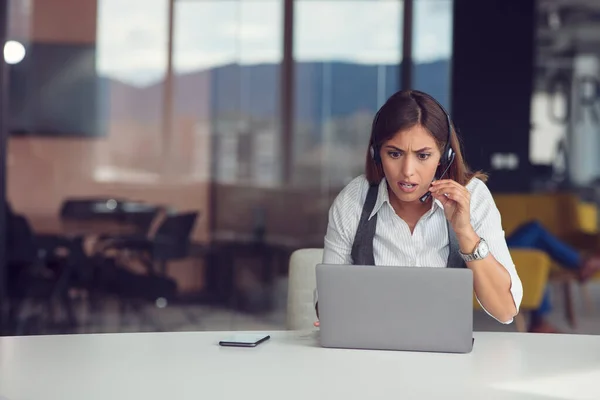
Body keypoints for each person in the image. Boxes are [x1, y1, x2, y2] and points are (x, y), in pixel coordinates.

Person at [314, 89, 523, 326]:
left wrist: (465, 231)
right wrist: (334, 313)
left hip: (445, 356)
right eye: (394, 153)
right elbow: (327, 306)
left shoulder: (473, 196)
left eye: (423, 156)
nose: (407, 171)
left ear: (445, 156)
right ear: (376, 154)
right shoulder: (354, 199)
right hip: (371, 353)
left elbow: (505, 310)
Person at [506, 220, 600, 333]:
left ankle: (538, 322)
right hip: (491, 253)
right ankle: (581, 263)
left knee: (536, 241)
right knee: (533, 229)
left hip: (495, 247)